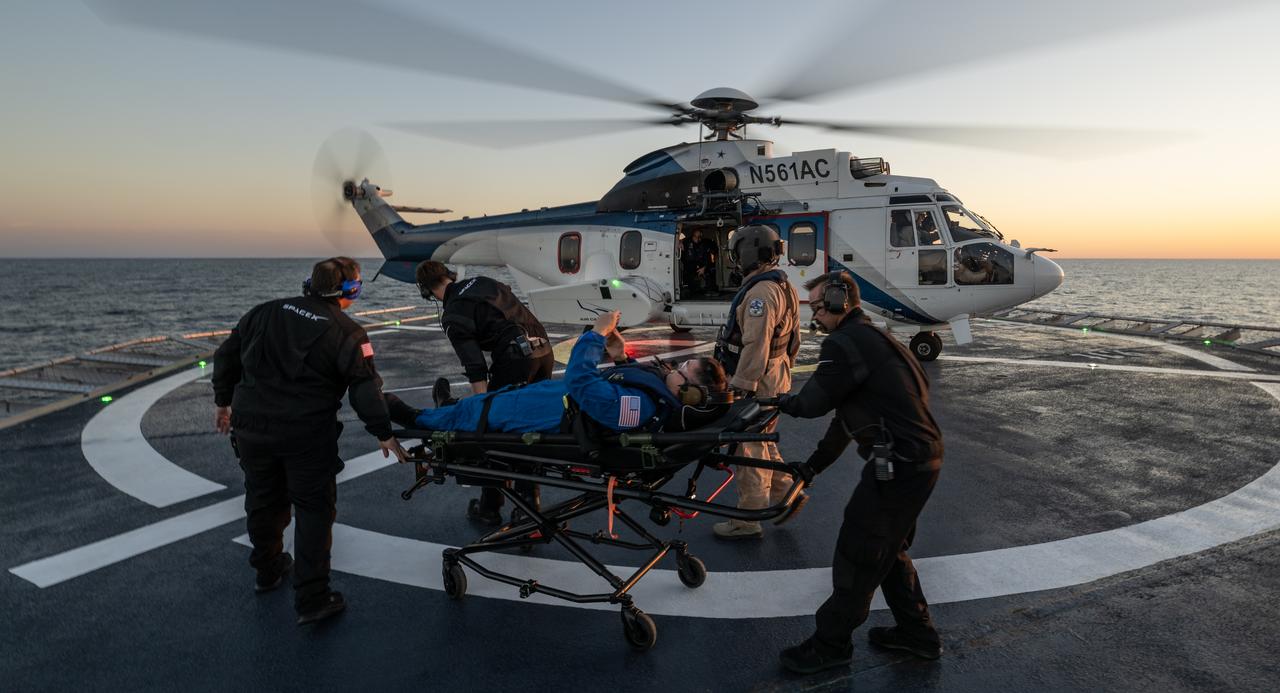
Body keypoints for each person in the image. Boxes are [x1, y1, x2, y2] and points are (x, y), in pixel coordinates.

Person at [212, 256, 406, 626]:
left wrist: (223, 403)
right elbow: (364, 389)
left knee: (262, 499)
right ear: (350, 289)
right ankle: (313, 598)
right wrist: (382, 431)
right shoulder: (347, 331)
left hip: (251, 430)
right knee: (315, 509)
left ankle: (267, 571)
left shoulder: (261, 312)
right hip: (305, 436)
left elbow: (225, 357)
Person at [773, 271, 945, 674]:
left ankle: (830, 646)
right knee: (887, 549)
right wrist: (813, 466)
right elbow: (845, 421)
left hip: (900, 465)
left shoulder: (844, 343)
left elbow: (814, 403)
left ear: (838, 300)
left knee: (859, 551)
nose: (814, 315)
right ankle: (917, 634)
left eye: (816, 306)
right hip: (919, 460)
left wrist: (779, 401)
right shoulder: (876, 340)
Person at [388, 310, 728, 436]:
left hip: (556, 412)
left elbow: (583, 384)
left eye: (683, 369)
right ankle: (447, 407)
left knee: (484, 411)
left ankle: (418, 420)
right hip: (556, 401)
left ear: (689, 394)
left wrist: (594, 336)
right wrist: (620, 356)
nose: (675, 367)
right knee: (495, 398)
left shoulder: (642, 408)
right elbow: (623, 384)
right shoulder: (656, 398)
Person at [415, 260, 554, 525]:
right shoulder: (483, 282)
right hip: (545, 352)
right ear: (449, 275)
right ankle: (529, 504)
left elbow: (475, 367)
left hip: (516, 360)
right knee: (531, 429)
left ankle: (490, 507)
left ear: (426, 291)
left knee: (496, 433)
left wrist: (481, 409)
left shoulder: (453, 314)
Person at [711, 224, 803, 540]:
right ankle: (786, 494)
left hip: (757, 382)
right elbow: (793, 340)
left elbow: (756, 342)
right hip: (775, 376)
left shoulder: (760, 293)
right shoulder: (784, 286)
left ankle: (748, 518)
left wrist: (743, 384)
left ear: (747, 253)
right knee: (761, 440)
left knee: (746, 449)